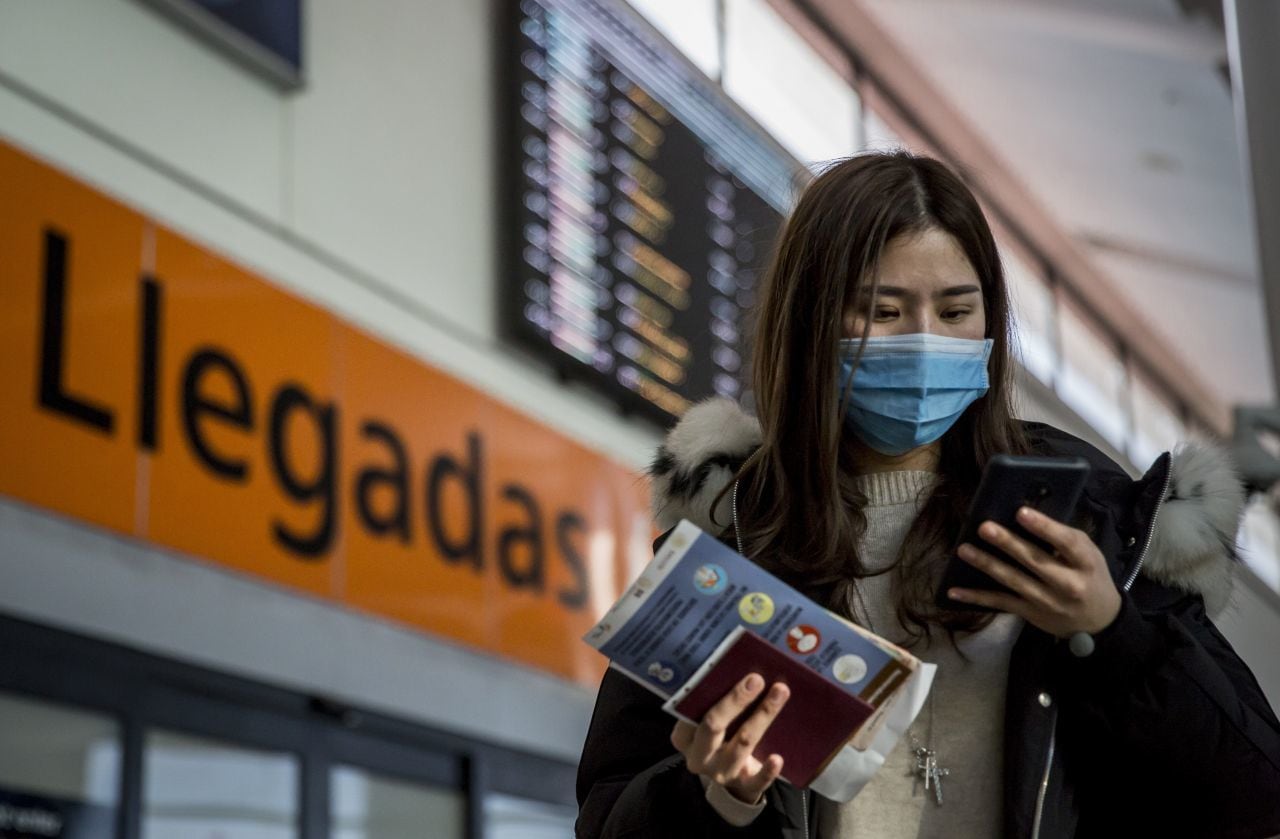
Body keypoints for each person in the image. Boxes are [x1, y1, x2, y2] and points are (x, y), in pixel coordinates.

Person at [575, 151, 1280, 838]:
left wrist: (1112, 629)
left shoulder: (1086, 517)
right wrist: (719, 799)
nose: (924, 341)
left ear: (990, 323)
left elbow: (1252, 792)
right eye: (882, 311)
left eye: (954, 311)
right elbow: (607, 814)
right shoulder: (733, 542)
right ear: (810, 326)